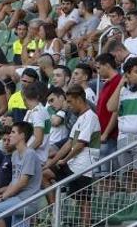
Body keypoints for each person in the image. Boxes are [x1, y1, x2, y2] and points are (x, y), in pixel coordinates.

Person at [45, 86, 99, 226]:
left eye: (70, 102)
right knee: (44, 172)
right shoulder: (80, 118)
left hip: (84, 166)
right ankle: (55, 212)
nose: (68, 105)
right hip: (73, 163)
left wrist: (64, 160)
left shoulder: (91, 117)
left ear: (79, 99)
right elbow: (69, 143)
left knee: (84, 201)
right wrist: (51, 163)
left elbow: (81, 144)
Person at [0, 122, 43, 227]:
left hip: (27, 200)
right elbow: (14, 182)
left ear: (22, 135)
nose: (10, 135)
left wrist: (2, 198)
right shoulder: (15, 154)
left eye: (13, 132)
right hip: (18, 198)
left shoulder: (30, 154)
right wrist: (1, 194)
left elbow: (23, 182)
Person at [108, 58, 137, 190]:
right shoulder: (122, 91)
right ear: (127, 74)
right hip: (123, 138)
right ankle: (134, 206)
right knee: (127, 176)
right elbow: (110, 107)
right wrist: (119, 85)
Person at [95, 54, 121, 170]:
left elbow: (116, 111)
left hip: (110, 136)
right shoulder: (108, 83)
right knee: (101, 174)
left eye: (99, 68)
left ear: (107, 65)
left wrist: (106, 133)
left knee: (109, 174)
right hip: (102, 134)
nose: (97, 71)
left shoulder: (117, 82)